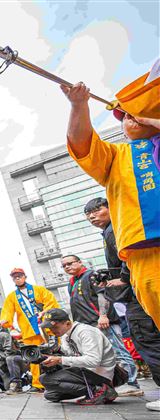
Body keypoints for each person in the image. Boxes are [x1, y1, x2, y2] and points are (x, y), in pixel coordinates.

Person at [63, 76, 159, 329]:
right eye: (124, 116)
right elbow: (82, 144)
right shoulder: (117, 155)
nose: (128, 118)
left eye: (134, 112)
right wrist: (79, 106)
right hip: (145, 254)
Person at [85, 197, 160, 411]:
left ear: (111, 208)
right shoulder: (110, 230)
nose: (92, 216)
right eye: (88, 214)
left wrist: (124, 278)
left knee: (146, 338)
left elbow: (128, 254)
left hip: (138, 291)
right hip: (138, 290)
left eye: (96, 210)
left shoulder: (115, 229)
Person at [61, 254, 142, 397]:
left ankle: (132, 384)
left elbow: (103, 295)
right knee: (102, 357)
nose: (67, 267)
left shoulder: (92, 275)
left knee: (118, 352)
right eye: (64, 265)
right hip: (87, 326)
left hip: (102, 322)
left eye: (70, 263)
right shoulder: (72, 282)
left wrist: (103, 316)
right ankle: (113, 385)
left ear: (79, 262)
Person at [0, 268, 59, 393]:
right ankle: (37, 384)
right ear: (12, 279)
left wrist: (44, 312)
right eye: (15, 277)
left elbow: (51, 302)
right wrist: (2, 322)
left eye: (19, 275)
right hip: (29, 331)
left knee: (53, 353)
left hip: (47, 328)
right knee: (33, 357)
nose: (17, 278)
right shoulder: (12, 296)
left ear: (25, 276)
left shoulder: (39, 290)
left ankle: (56, 380)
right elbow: (7, 312)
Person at [38, 309, 119, 405]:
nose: (52, 331)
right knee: (50, 395)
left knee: (46, 379)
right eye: (50, 328)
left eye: (55, 327)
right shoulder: (65, 335)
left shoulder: (86, 332)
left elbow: (93, 361)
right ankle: (93, 390)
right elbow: (70, 354)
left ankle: (100, 390)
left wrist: (60, 360)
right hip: (85, 371)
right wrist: (51, 354)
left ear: (67, 323)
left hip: (99, 374)